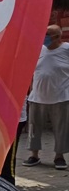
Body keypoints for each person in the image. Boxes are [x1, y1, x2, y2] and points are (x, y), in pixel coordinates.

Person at [23, 25, 69, 170]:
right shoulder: (38, 49)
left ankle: (59, 157)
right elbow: (31, 71)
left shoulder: (67, 49)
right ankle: (34, 155)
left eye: (48, 35)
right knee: (33, 129)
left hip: (61, 97)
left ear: (58, 36)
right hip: (37, 97)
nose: (45, 37)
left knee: (61, 129)